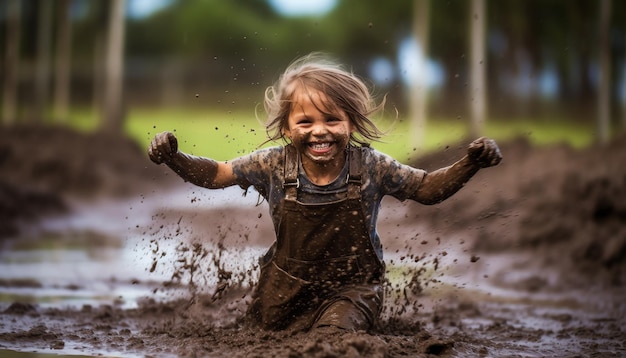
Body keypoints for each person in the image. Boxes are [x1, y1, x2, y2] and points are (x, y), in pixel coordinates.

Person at [148, 53, 502, 333]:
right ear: (287, 128)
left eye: (332, 120)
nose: (320, 131)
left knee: (332, 340)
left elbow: (425, 188)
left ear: (351, 123)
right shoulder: (272, 164)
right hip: (284, 290)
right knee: (259, 334)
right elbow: (217, 174)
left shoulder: (372, 166)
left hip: (354, 288)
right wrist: (174, 157)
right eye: (306, 122)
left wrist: (470, 163)